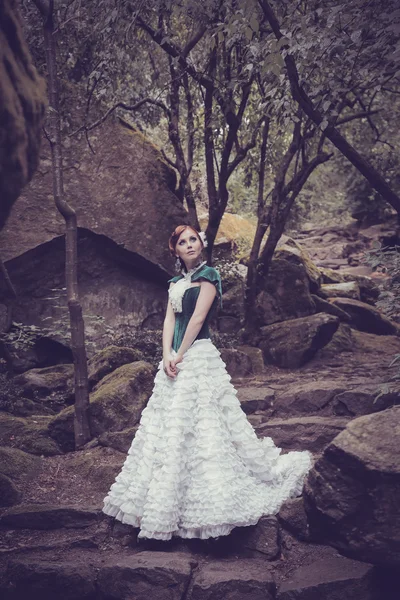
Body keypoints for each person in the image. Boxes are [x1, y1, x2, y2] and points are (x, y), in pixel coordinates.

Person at [102, 224, 312, 541]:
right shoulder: (175, 282)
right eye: (182, 241)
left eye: (193, 239)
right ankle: (162, 503)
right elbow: (169, 320)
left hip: (197, 355)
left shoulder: (209, 276)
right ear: (175, 250)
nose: (189, 244)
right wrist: (167, 355)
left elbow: (198, 319)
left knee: (205, 426)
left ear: (201, 243)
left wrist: (181, 354)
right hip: (173, 358)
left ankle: (209, 501)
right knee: (167, 428)